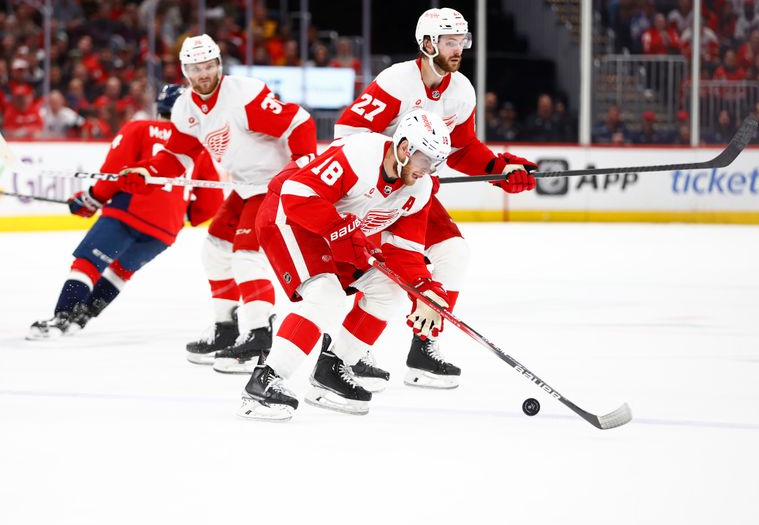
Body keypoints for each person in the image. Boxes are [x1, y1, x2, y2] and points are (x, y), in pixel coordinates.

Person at [333, 8, 537, 391]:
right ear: (427, 44)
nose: (458, 49)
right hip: (372, 194)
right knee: (376, 278)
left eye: (461, 41)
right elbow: (348, 131)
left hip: (415, 194)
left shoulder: (461, 91)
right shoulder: (396, 81)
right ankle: (348, 351)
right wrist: (393, 171)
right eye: (449, 42)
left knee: (453, 253)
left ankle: (423, 346)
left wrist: (499, 167)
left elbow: (461, 148)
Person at [115, 34, 317, 373]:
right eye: (196, 68)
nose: (203, 73)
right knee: (214, 249)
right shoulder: (185, 108)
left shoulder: (245, 94)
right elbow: (177, 156)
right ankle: (226, 328)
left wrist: (302, 165)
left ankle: (259, 335)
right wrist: (145, 171)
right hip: (245, 186)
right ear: (185, 71)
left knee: (245, 256)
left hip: (274, 184)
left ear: (218, 65)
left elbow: (299, 121)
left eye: (208, 66)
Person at [239, 110, 451, 421]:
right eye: (424, 159)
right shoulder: (359, 154)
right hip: (287, 217)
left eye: (435, 163)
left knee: (387, 291)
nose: (428, 170)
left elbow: (404, 251)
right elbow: (297, 194)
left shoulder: (419, 190)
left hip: (334, 233)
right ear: (405, 147)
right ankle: (265, 380)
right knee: (327, 295)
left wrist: (425, 289)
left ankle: (331, 369)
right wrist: (341, 229)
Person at [27, 84, 223, 339]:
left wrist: (92, 199)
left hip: (128, 212)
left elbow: (113, 172)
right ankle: (81, 318)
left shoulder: (140, 128)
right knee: (121, 271)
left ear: (159, 107)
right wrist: (182, 215)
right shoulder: (197, 147)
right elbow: (212, 200)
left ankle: (62, 318)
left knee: (88, 261)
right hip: (165, 230)